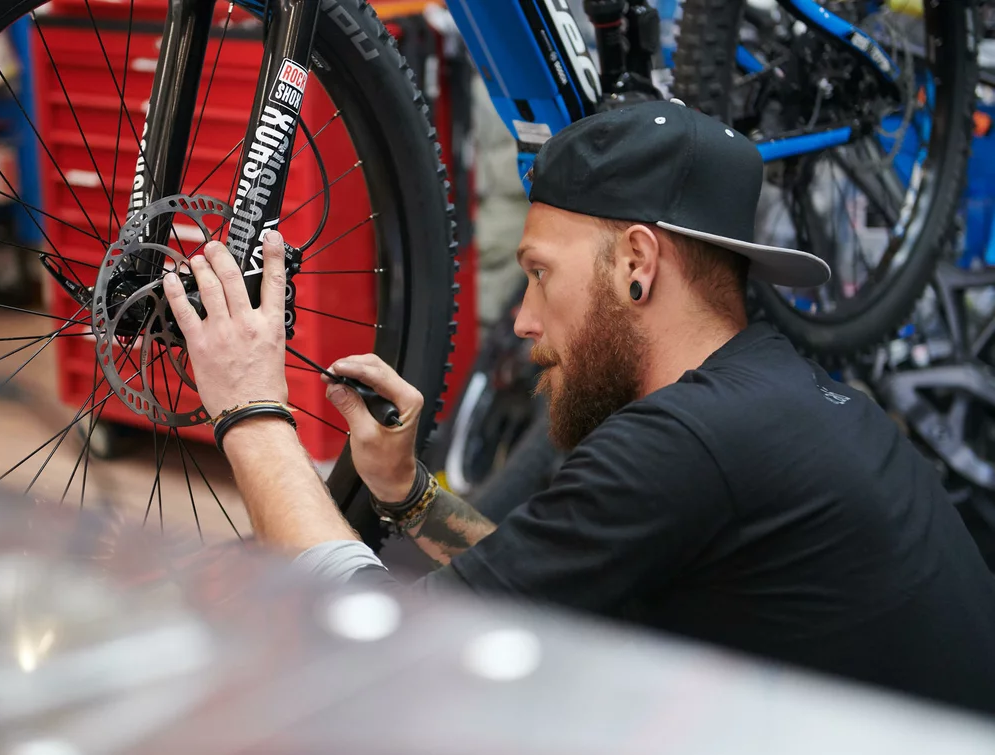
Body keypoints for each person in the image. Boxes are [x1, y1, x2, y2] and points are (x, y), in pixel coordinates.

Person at [160, 100, 995, 715]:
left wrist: (251, 410)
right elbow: (535, 587)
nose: (523, 319)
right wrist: (407, 492)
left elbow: (383, 648)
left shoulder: (687, 441)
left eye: (539, 273)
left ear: (637, 264)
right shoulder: (765, 397)